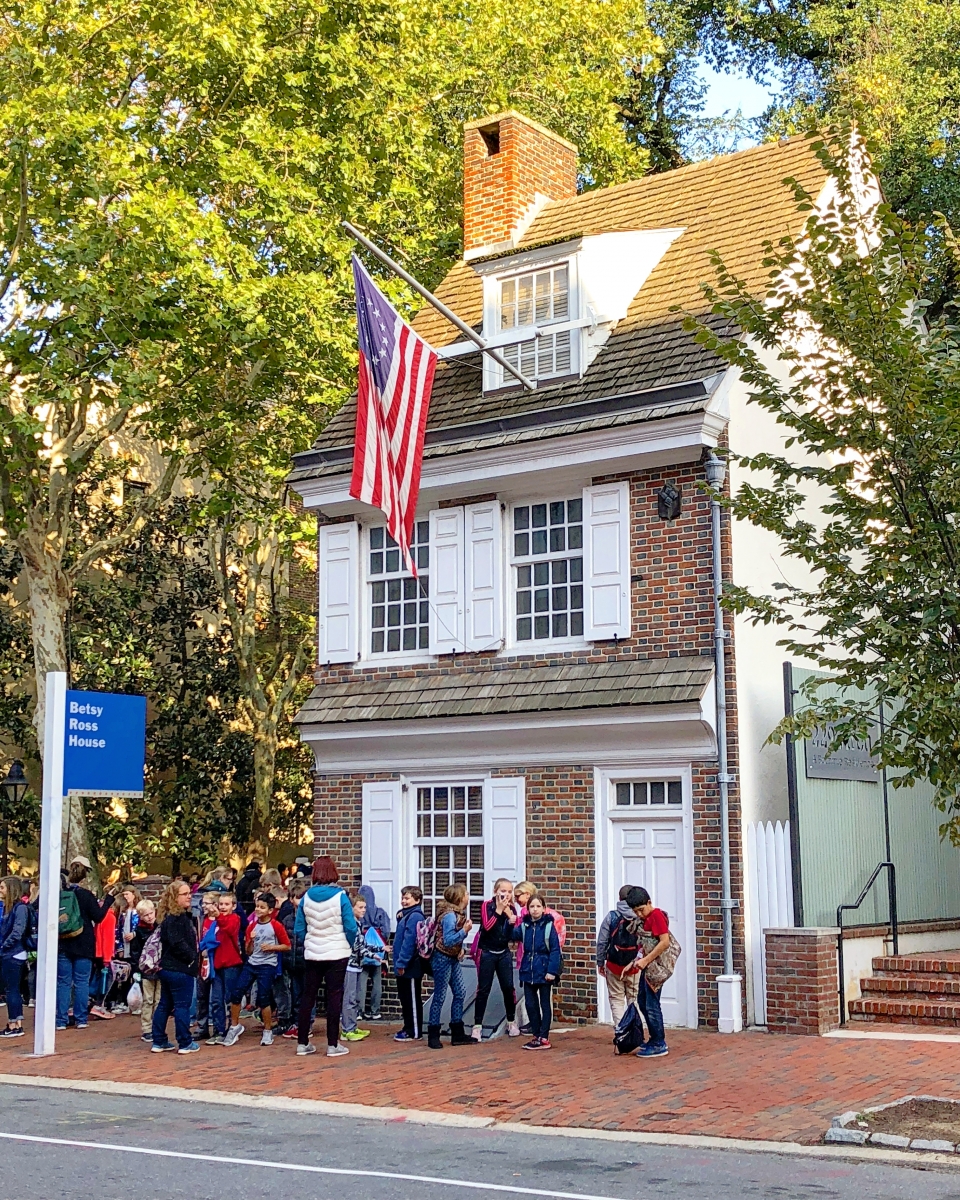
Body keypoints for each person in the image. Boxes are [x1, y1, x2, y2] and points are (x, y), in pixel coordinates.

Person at [294, 856, 356, 1058]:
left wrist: (310, 941)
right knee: (334, 997)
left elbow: (299, 928)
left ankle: (302, 1043)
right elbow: (350, 926)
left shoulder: (306, 897)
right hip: (337, 951)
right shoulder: (340, 896)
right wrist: (348, 943)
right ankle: (332, 1044)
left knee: (308, 997)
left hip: (313, 952)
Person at [223, 892, 290, 1047]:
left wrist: (272, 947)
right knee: (237, 992)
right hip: (252, 963)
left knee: (263, 997)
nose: (258, 910)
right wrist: (251, 940)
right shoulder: (252, 926)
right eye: (257, 906)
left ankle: (267, 1031)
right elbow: (248, 951)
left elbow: (287, 945)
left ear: (270, 910)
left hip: (268, 965)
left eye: (262, 907)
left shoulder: (276, 926)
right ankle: (234, 1026)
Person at [56, 856, 111, 1031]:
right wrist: (108, 900)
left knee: (63, 982)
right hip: (84, 942)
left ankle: (60, 1020)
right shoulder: (86, 895)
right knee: (81, 981)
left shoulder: (61, 894)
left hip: (64, 941)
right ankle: (80, 1019)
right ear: (85, 874)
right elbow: (98, 917)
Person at [151, 878, 200, 1054]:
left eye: (189, 893)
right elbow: (178, 942)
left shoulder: (168, 917)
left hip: (168, 968)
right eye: (185, 894)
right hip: (180, 968)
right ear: (175, 897)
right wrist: (192, 957)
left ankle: (159, 1040)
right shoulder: (176, 918)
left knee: (165, 1004)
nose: (189, 897)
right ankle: (185, 1042)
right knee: (181, 1006)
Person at [471, 878, 520, 1041]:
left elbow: (512, 932)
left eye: (509, 891)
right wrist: (499, 910)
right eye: (503, 891)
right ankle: (477, 1026)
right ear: (495, 891)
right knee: (484, 989)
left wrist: (511, 919)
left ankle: (511, 1021)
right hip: (487, 952)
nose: (506, 894)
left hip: (503, 952)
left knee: (508, 987)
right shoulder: (487, 905)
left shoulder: (512, 908)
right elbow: (487, 926)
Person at [427, 883, 474, 1050]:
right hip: (441, 957)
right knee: (439, 995)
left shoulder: (456, 914)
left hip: (452, 957)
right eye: (467, 894)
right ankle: (433, 1034)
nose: (469, 896)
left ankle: (457, 1032)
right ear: (460, 898)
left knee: (460, 992)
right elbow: (447, 940)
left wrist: (461, 948)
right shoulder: (449, 916)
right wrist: (465, 931)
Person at [513, 894, 562, 1050]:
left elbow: (555, 950)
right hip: (528, 970)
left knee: (544, 1004)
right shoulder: (524, 926)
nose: (535, 910)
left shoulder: (548, 926)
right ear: (527, 909)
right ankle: (536, 1034)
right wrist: (508, 922)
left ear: (543, 908)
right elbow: (510, 936)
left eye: (538, 906)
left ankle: (544, 1036)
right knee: (530, 1004)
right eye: (532, 906)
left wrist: (551, 971)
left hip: (544, 969)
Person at [630, 887, 672, 1059]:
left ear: (649, 903)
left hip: (656, 968)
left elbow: (664, 942)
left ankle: (659, 1042)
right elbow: (643, 945)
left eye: (641, 910)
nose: (640, 914)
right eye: (636, 912)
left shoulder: (656, 916)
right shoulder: (645, 919)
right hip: (647, 967)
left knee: (651, 1004)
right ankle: (654, 1038)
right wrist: (634, 962)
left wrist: (645, 961)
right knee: (642, 1000)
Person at [597, 885, 644, 1027]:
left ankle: (621, 1032)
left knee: (616, 999)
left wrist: (600, 962)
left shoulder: (612, 917)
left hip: (614, 965)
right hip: (635, 966)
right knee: (634, 999)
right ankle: (636, 1032)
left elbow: (602, 942)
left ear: (619, 899)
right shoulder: (640, 916)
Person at [392, 885, 425, 1042]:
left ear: (417, 900)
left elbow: (409, 942)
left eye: (407, 898)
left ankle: (415, 1031)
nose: (404, 901)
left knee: (411, 999)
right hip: (403, 964)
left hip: (410, 966)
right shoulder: (405, 916)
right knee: (405, 998)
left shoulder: (415, 917)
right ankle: (408, 1027)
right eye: (403, 898)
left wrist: (402, 963)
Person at [210, 892, 243, 1044]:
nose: (223, 907)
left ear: (233, 906)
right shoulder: (214, 921)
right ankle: (219, 1029)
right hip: (217, 963)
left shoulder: (234, 919)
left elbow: (230, 929)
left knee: (230, 998)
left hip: (231, 963)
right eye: (221, 904)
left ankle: (232, 1026)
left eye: (226, 904)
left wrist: (219, 917)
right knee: (216, 999)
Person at [0, 877, 30, 1037]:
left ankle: (14, 1024)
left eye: (3, 887)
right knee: (13, 989)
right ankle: (15, 1022)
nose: (0, 890)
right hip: (11, 952)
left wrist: (4, 946)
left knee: (12, 989)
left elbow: (17, 931)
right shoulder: (10, 908)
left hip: (13, 953)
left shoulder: (18, 908)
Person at [277, 878, 307, 1038]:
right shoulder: (287, 919)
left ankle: (306, 1023)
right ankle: (296, 1021)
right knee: (295, 994)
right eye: (296, 898)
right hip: (292, 962)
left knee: (307, 994)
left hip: (306, 961)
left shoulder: (309, 919)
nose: (299, 901)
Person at [340, 894, 372, 1043]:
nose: (363, 910)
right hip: (350, 965)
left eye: (364, 907)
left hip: (356, 965)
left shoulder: (358, 923)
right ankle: (347, 1030)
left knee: (354, 998)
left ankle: (352, 1027)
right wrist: (375, 955)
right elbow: (357, 947)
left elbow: (362, 944)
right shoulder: (351, 924)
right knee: (349, 998)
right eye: (360, 907)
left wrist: (379, 948)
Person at [357, 885, 390, 1020]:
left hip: (362, 950)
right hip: (378, 952)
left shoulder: (358, 911)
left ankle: (359, 1011)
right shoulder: (380, 912)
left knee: (361, 982)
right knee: (377, 981)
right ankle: (375, 1011)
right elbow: (387, 932)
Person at [130, 899, 158, 1043]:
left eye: (151, 913)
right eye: (146, 915)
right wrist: (137, 970)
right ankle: (147, 1028)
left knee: (159, 1000)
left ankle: (157, 1026)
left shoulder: (159, 927)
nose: (149, 917)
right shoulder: (139, 933)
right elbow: (136, 953)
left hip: (159, 968)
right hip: (146, 970)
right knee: (148, 1000)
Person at [195, 890, 220, 1042]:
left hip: (215, 961)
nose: (203, 905)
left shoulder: (220, 920)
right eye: (203, 902)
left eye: (206, 903)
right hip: (201, 962)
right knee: (201, 996)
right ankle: (202, 1026)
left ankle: (218, 1026)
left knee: (217, 998)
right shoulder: (200, 919)